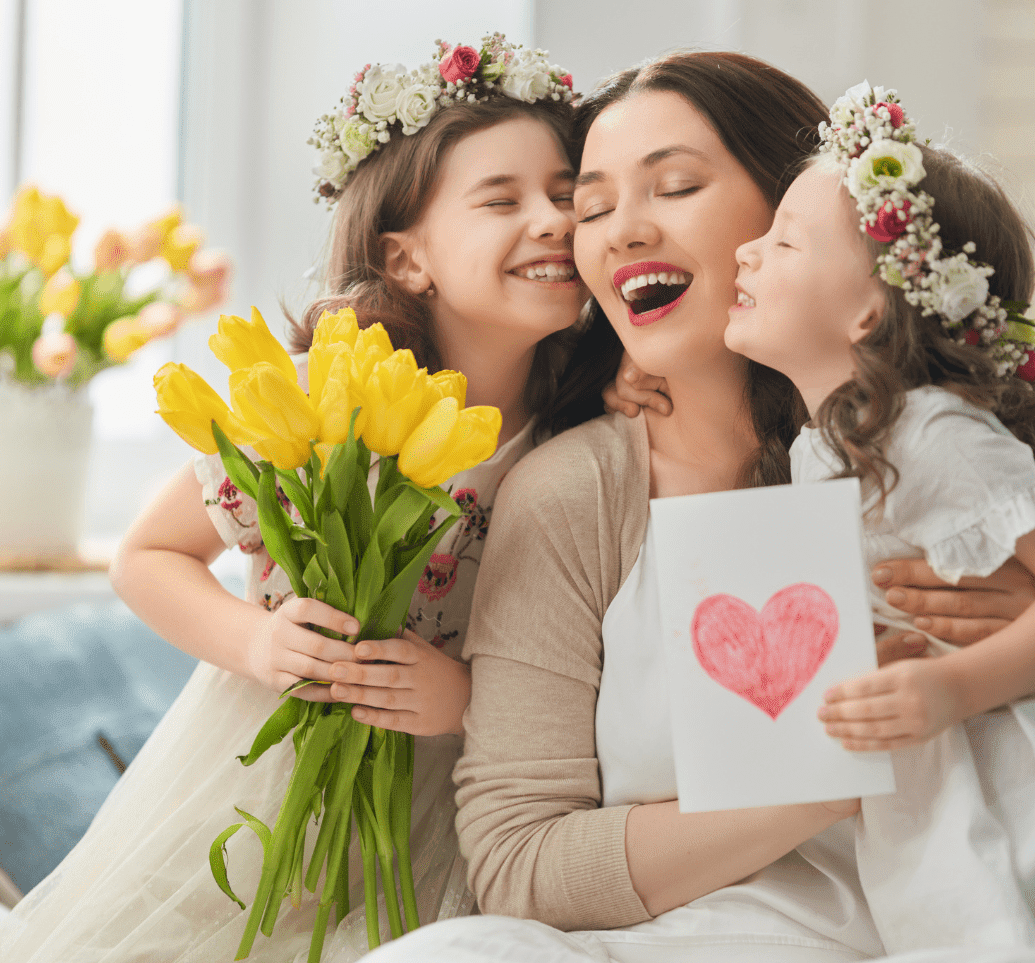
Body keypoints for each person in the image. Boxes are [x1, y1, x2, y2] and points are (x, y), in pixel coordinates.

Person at [360, 53, 1035, 963]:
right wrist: (819, 777)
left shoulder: (930, 447)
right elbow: (519, 861)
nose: (620, 231)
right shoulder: (575, 492)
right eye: (591, 209)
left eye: (675, 186)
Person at [0, 34, 594, 963]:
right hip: (258, 786)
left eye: (566, 194)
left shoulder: (580, 441)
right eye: (502, 199)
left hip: (442, 819)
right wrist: (262, 642)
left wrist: (469, 700)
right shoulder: (322, 396)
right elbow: (145, 556)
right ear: (408, 258)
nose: (552, 220)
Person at [725, 82, 1035, 953]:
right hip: (919, 784)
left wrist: (955, 686)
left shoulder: (932, 434)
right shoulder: (820, 448)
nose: (745, 252)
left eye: (784, 240)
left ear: (870, 309)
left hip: (999, 771)